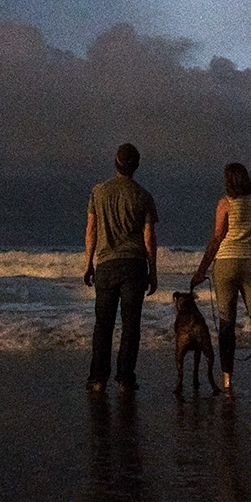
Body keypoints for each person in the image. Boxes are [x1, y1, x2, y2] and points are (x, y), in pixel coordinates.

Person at [189, 161, 251, 394]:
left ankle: (228, 382)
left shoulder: (226, 203)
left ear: (228, 182)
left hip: (226, 265)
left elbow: (217, 238)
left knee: (226, 323)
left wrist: (201, 270)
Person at [84, 142, 158, 391]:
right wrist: (153, 271)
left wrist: (87, 264)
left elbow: (91, 230)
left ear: (115, 161)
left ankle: (98, 379)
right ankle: (125, 379)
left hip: (106, 264)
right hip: (134, 265)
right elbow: (149, 237)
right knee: (131, 324)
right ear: (136, 166)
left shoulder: (98, 191)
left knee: (103, 324)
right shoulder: (143, 195)